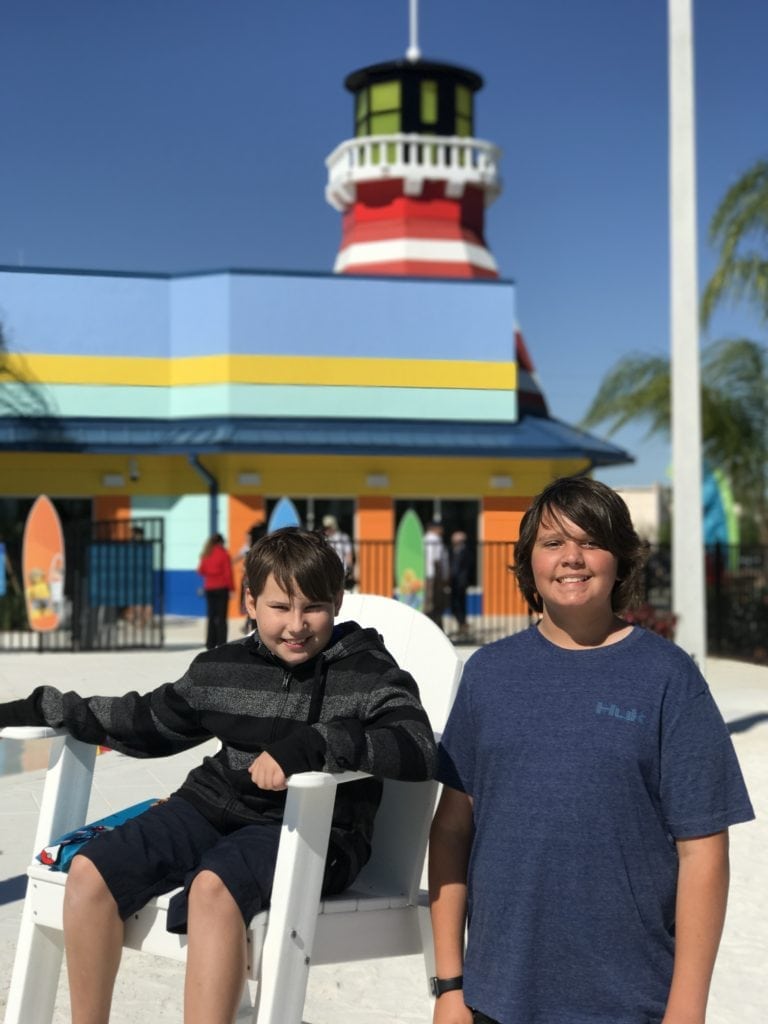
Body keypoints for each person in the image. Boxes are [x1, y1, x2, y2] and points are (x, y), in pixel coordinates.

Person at [0, 527, 437, 1024]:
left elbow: (417, 747)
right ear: (250, 602)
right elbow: (146, 722)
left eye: (312, 607)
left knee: (213, 889)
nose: (296, 625)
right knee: (90, 872)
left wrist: (315, 746)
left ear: (337, 601)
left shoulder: (368, 672)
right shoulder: (223, 668)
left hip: (316, 836)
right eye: (279, 607)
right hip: (209, 809)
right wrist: (42, 707)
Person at [429, 476, 754, 1024]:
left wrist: (687, 1008)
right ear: (528, 561)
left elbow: (703, 853)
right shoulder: (488, 675)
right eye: (553, 542)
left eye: (591, 542)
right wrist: (450, 986)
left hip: (631, 1000)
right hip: (496, 998)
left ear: (621, 561)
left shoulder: (668, 678)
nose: (572, 558)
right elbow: (453, 830)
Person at [197, 532, 234, 649]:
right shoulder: (224, 554)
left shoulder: (206, 554)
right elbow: (228, 573)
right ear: (221, 542)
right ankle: (222, 643)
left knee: (211, 616)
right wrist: (232, 588)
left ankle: (210, 643)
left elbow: (201, 571)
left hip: (209, 588)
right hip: (222, 588)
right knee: (222, 618)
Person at [424, 520, 449, 630]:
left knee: (429, 602)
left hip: (427, 574)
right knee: (434, 603)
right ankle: (435, 627)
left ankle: (432, 626)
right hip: (434, 576)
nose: (442, 530)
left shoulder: (424, 539)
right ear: (434, 528)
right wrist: (442, 578)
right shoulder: (435, 540)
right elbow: (437, 560)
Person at [448, 530, 472, 640]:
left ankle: (463, 625)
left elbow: (464, 568)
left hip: (460, 582)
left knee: (460, 604)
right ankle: (462, 624)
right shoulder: (454, 551)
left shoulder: (465, 551)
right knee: (454, 604)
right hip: (454, 582)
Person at [322, 514, 355, 589]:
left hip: (342, 571)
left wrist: (350, 571)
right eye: (325, 527)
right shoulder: (324, 539)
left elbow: (349, 555)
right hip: (329, 570)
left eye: (328, 527)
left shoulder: (343, 538)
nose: (326, 529)